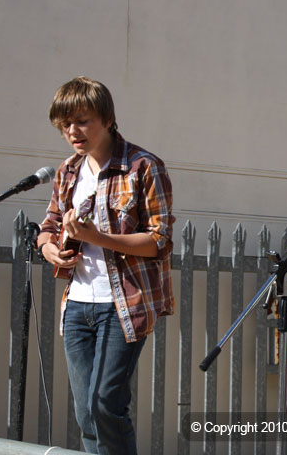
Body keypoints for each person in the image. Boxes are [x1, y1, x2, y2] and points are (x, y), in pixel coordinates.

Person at [37, 76, 175, 454]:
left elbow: (159, 241)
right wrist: (49, 248)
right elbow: (48, 227)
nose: (73, 131)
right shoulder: (67, 172)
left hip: (124, 304)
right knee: (86, 413)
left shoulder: (143, 166)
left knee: (105, 404)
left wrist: (96, 237)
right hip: (78, 304)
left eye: (82, 120)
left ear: (108, 118)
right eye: (65, 124)